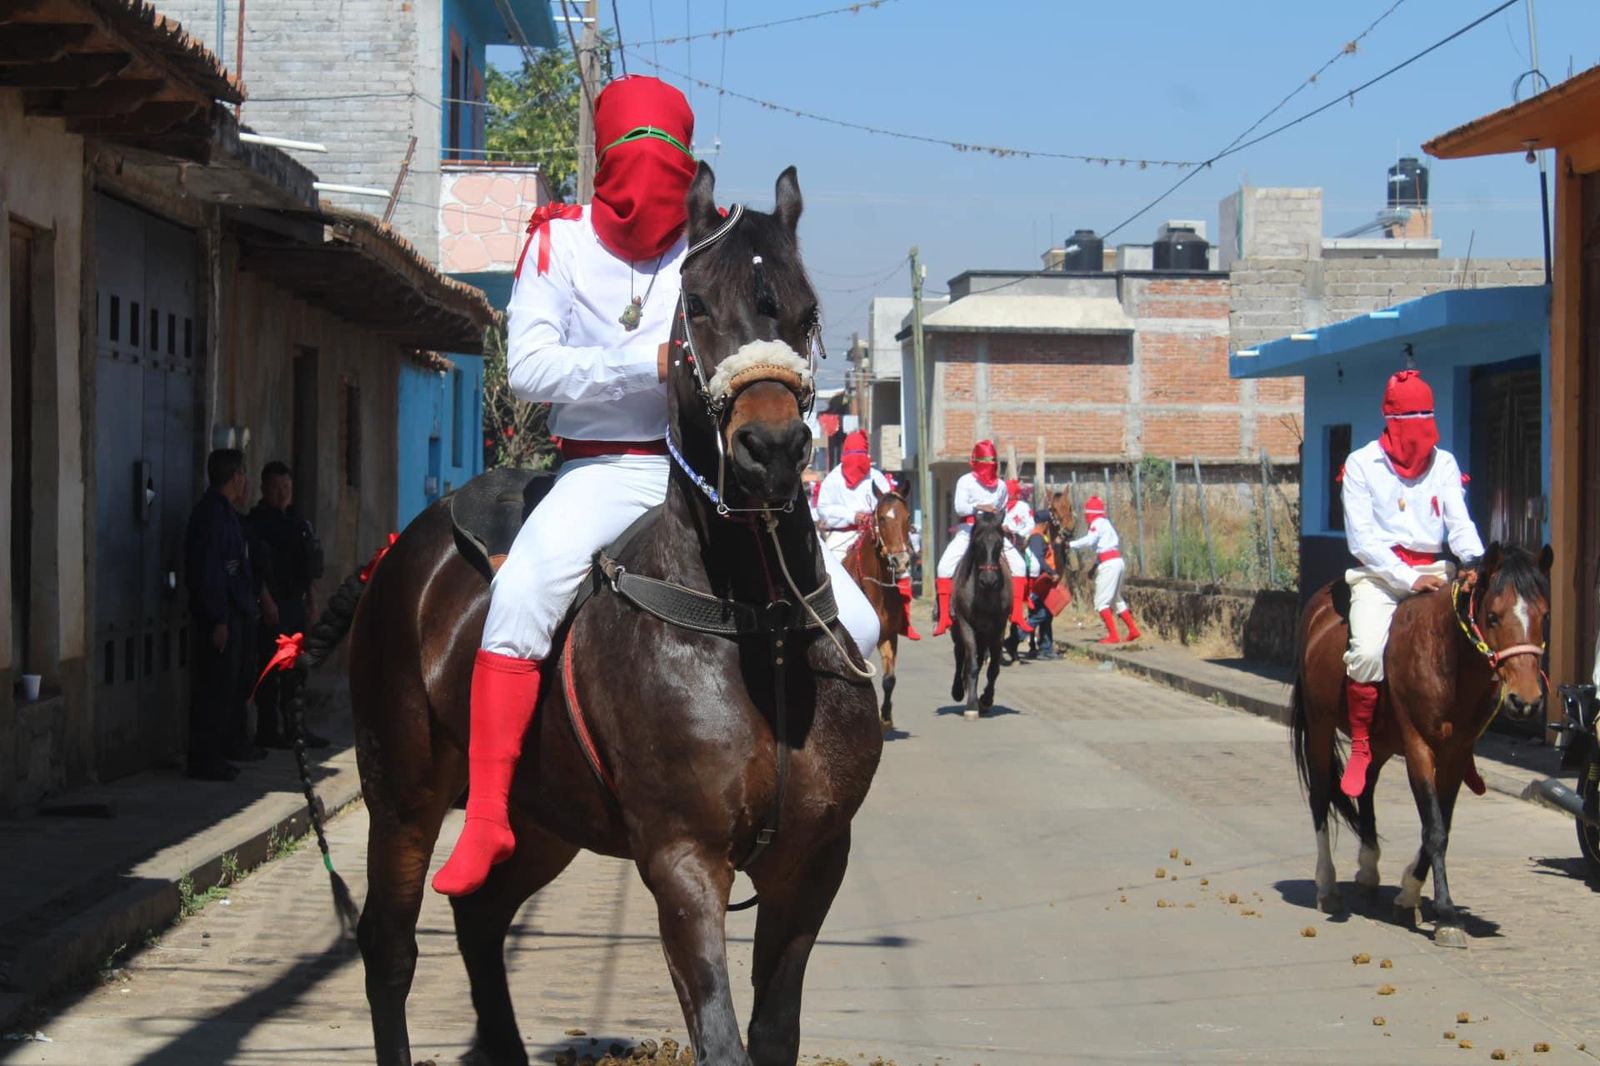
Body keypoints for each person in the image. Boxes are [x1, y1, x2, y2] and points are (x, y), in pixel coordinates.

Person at [432, 76, 880, 898]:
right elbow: (528, 369)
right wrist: (638, 365)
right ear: (604, 162)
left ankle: (826, 799)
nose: (650, 184)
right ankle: (491, 811)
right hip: (602, 468)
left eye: (668, 164)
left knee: (852, 614)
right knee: (524, 591)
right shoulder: (556, 245)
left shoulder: (709, 246)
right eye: (632, 161)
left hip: (709, 472)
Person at [1340, 369, 1486, 799]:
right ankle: (1362, 745)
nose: (1420, 426)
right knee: (1365, 651)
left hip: (1438, 574)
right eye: (1410, 416)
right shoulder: (1361, 464)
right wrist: (1407, 577)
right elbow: (1362, 539)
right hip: (1380, 575)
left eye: (1427, 414)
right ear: (1389, 417)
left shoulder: (1444, 463)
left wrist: (1472, 560)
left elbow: (1459, 523)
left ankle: (1464, 748)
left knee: (1479, 650)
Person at [183, 449, 262, 781]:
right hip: (221, 617)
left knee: (231, 685)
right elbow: (210, 573)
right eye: (243, 475)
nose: (245, 482)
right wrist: (217, 619)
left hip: (235, 613)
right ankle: (205, 757)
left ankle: (225, 748)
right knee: (214, 688)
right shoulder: (211, 517)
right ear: (236, 477)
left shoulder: (226, 514)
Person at [246, 461, 329, 750]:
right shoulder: (256, 522)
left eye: (287, 488)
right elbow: (255, 569)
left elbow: (307, 568)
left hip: (296, 605)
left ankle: (297, 729)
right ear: (264, 489)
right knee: (271, 671)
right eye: (276, 488)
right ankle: (268, 731)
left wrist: (312, 603)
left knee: (296, 671)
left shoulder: (297, 521)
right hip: (273, 607)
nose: (282, 494)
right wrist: (266, 601)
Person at [816, 430, 921, 640]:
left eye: (860, 455)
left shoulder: (877, 477)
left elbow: (889, 504)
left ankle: (904, 621)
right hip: (842, 534)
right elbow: (824, 509)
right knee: (829, 571)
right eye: (852, 454)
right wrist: (853, 516)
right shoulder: (833, 478)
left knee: (898, 567)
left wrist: (874, 518)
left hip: (875, 534)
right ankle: (826, 618)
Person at [931, 440, 1032, 637]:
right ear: (976, 461)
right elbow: (959, 507)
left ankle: (1018, 614)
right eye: (985, 461)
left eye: (992, 462)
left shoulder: (1001, 485)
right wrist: (980, 506)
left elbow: (1003, 508)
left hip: (993, 530)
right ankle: (944, 616)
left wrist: (1002, 523)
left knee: (1020, 566)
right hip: (969, 529)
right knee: (943, 567)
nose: (989, 466)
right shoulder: (965, 481)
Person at [1069, 495, 1140, 645]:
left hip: (1108, 564)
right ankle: (1133, 630)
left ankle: (1113, 635)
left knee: (1101, 602)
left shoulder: (1097, 523)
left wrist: (1071, 544)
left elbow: (1091, 540)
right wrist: (1094, 567)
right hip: (1117, 561)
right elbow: (1104, 547)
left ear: (1090, 513)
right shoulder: (1106, 523)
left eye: (1087, 514)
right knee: (1115, 598)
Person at [1024, 513, 1060, 660]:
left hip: (1044, 580)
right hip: (1040, 581)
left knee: (1046, 614)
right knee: (1039, 614)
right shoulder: (1037, 537)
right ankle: (1015, 639)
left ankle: (1045, 647)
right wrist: (1052, 572)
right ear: (1045, 524)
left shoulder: (1038, 537)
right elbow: (1039, 558)